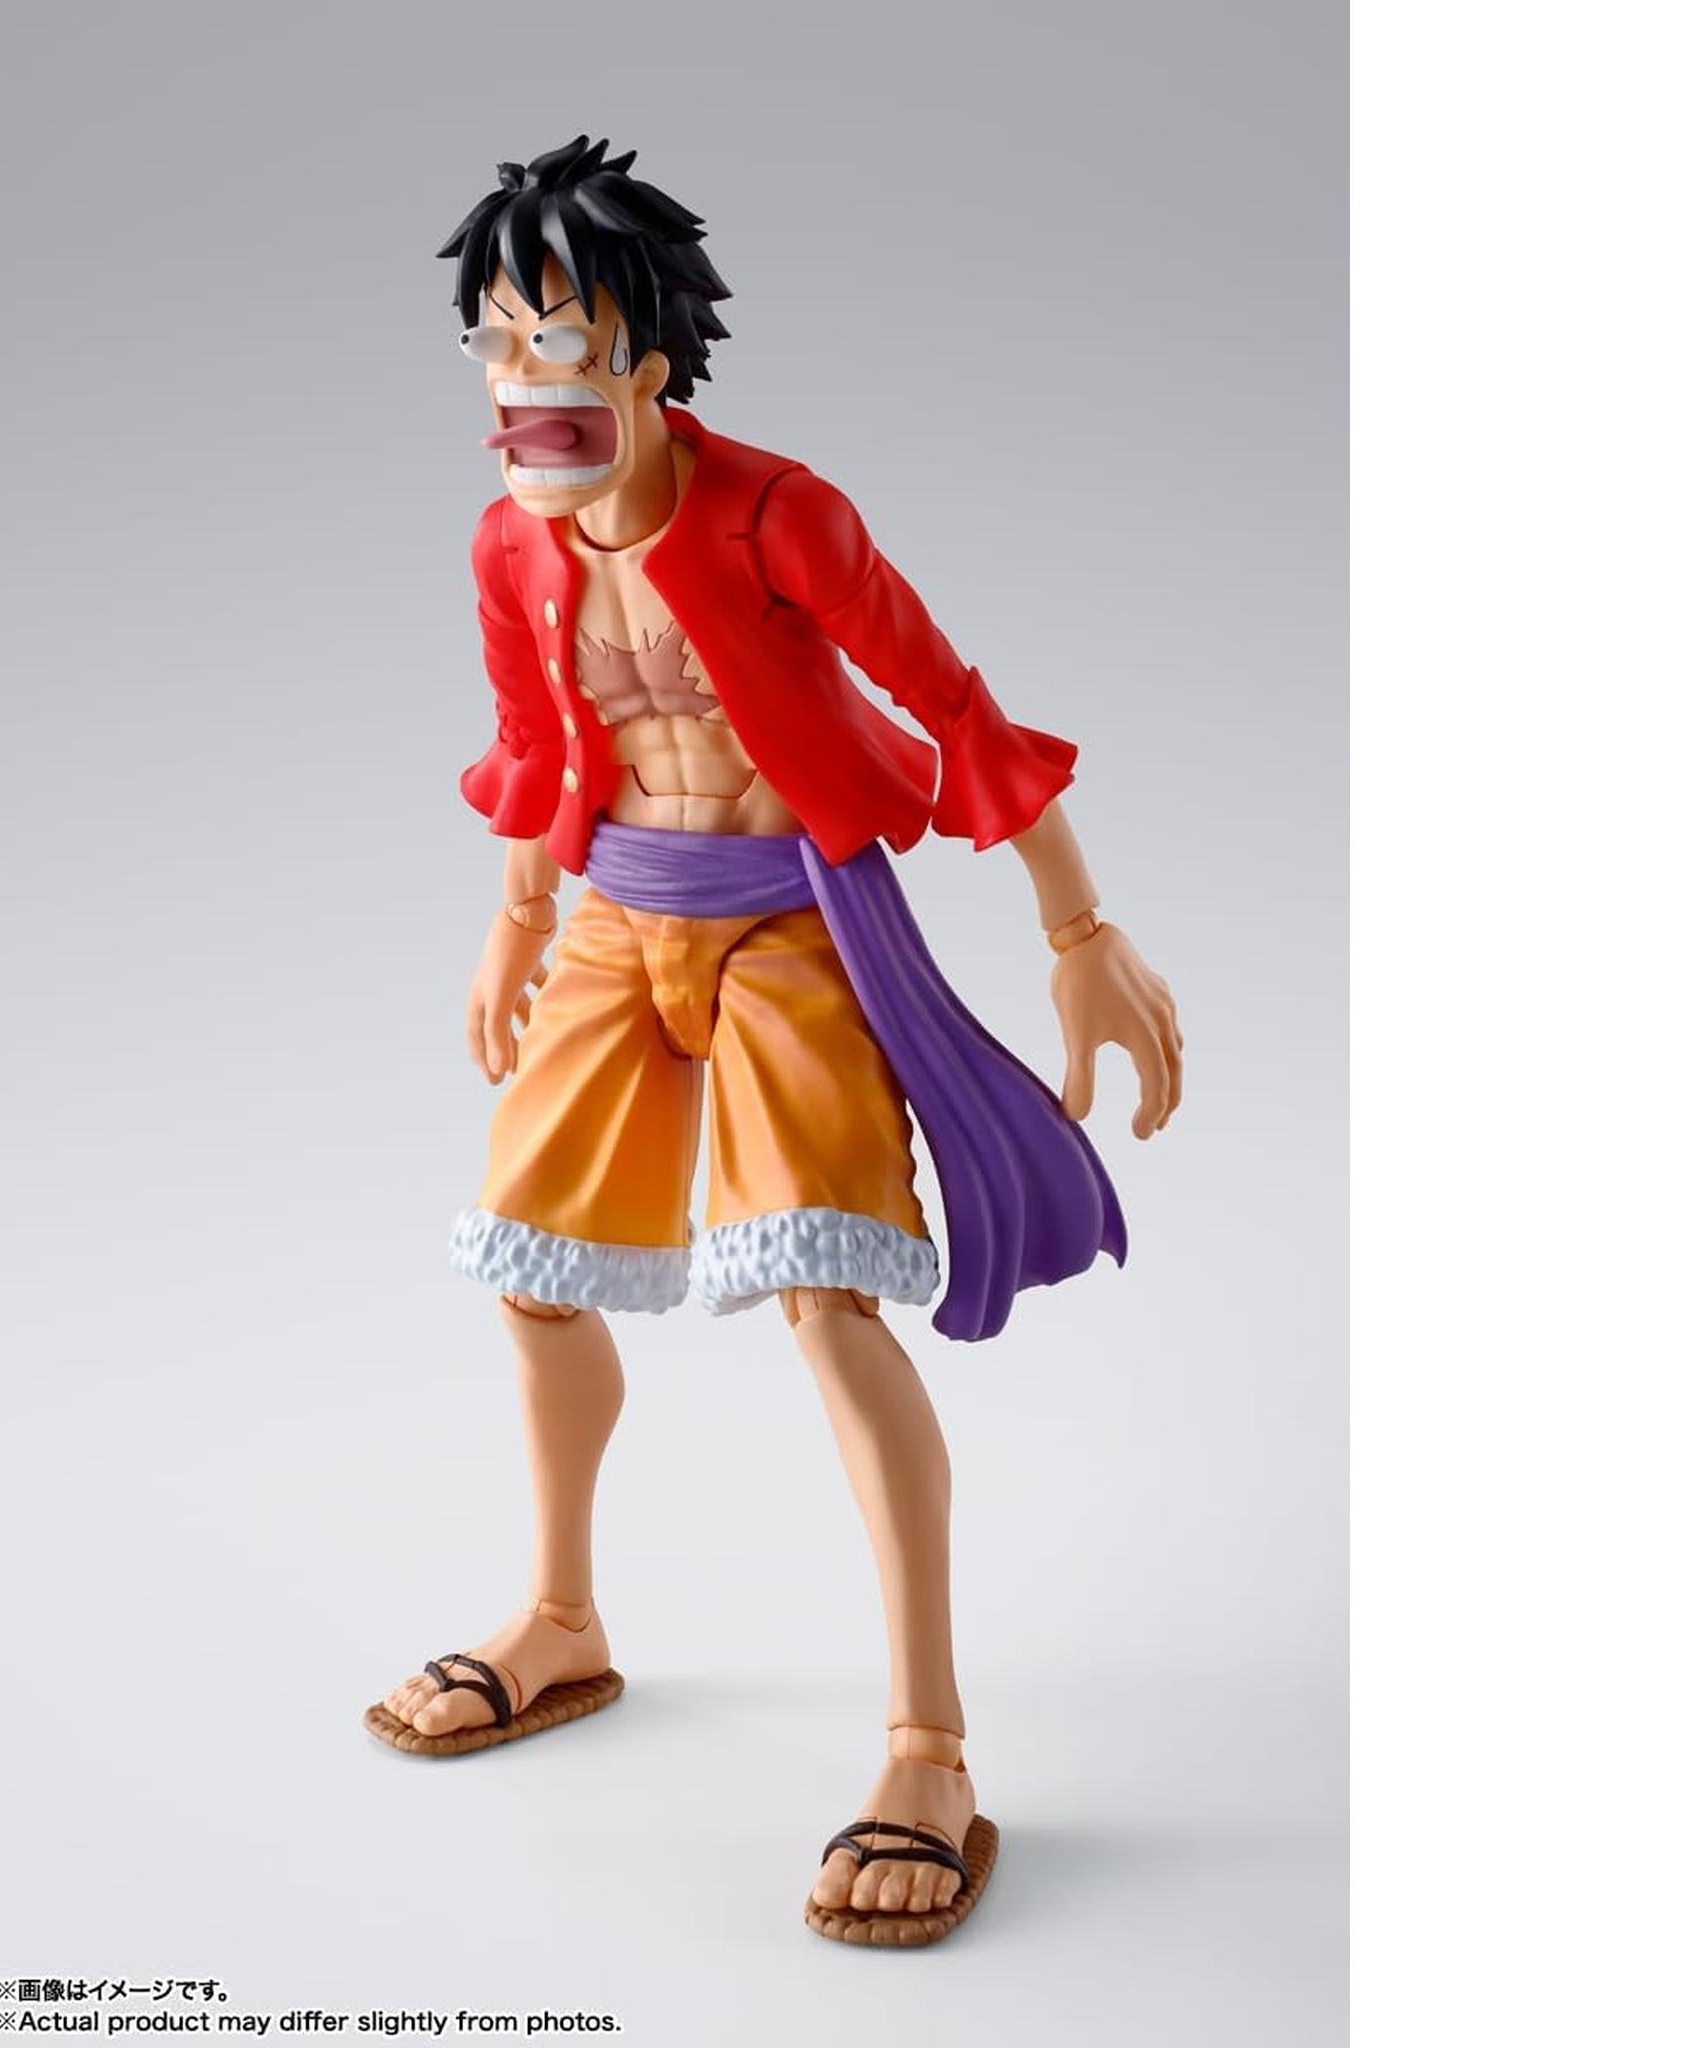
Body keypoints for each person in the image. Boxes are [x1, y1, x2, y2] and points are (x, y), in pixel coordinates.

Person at [363, 136, 1182, 1947]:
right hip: (613, 915)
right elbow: (537, 740)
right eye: (496, 340)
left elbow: (949, 703)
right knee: (531, 1276)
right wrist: (513, 924)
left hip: (790, 927)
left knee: (826, 1301)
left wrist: (1079, 931)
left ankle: (927, 1748)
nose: (523, 376)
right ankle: (561, 1620)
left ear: (648, 360)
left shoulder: (776, 517)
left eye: (561, 337)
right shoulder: (510, 543)